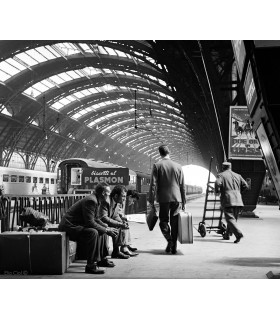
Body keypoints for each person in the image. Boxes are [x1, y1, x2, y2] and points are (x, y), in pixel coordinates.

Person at [58, 182, 119, 274]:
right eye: (108, 193)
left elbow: (96, 219)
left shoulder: (96, 199)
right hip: (69, 227)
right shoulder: (91, 201)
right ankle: (91, 265)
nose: (109, 196)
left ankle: (101, 259)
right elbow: (90, 222)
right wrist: (106, 230)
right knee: (93, 232)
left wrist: (106, 228)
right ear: (103, 193)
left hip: (76, 226)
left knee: (102, 230)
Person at [148, 145, 186, 254]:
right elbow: (182, 185)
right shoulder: (178, 166)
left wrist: (151, 199)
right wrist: (183, 201)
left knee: (163, 221)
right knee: (174, 223)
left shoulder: (157, 165)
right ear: (169, 152)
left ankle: (169, 240)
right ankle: (173, 247)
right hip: (177, 198)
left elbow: (153, 185)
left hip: (163, 198)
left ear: (160, 153)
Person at [98, 185, 138, 258]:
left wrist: (121, 222)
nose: (124, 199)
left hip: (107, 222)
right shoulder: (106, 202)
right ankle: (117, 251)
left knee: (121, 224)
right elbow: (104, 218)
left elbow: (115, 215)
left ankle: (117, 251)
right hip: (100, 222)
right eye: (123, 196)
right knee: (118, 225)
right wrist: (119, 223)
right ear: (116, 196)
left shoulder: (118, 202)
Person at [215, 161, 249, 243]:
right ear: (230, 167)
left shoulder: (221, 175)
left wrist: (217, 191)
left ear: (223, 167)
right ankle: (227, 235)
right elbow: (246, 186)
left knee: (230, 219)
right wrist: (239, 193)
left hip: (228, 200)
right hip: (238, 200)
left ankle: (238, 234)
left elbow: (217, 183)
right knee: (233, 219)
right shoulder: (238, 175)